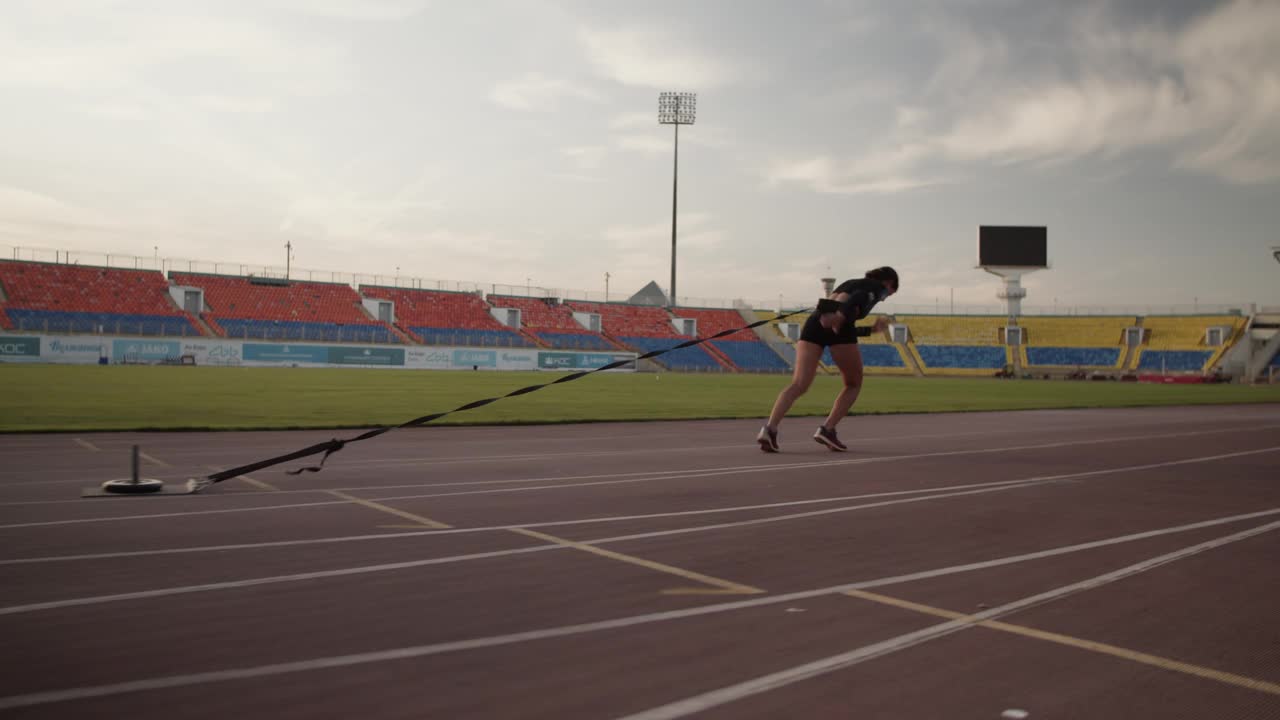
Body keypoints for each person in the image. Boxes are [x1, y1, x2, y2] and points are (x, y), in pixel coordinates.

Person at [757, 266, 899, 452]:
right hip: (838, 325)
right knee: (853, 384)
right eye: (889, 293)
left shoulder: (848, 283)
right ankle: (828, 429)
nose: (885, 297)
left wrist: (869, 330)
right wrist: (840, 317)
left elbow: (836, 315)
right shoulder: (874, 287)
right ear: (888, 283)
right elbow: (854, 303)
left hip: (814, 323)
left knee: (799, 384)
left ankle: (770, 429)